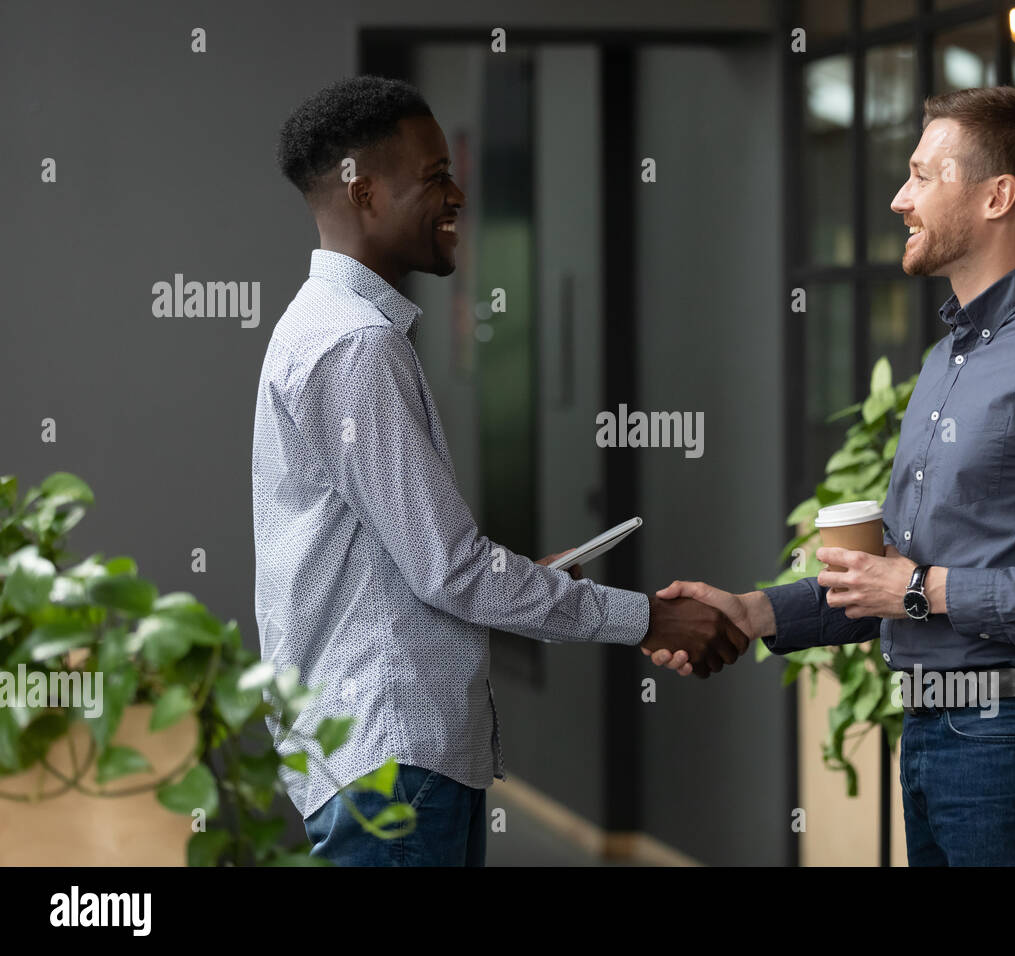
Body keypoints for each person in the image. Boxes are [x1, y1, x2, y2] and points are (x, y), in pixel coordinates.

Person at [652, 86, 1015, 866]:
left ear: (998, 195)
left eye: (923, 175)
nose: (900, 198)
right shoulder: (950, 358)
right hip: (936, 736)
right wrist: (752, 612)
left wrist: (927, 589)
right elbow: (896, 574)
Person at [252, 76, 746, 867]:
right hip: (394, 759)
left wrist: (514, 579)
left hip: (366, 754)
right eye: (436, 175)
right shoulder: (357, 345)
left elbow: (400, 568)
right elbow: (449, 572)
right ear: (366, 190)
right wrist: (645, 617)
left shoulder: (320, 326)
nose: (457, 196)